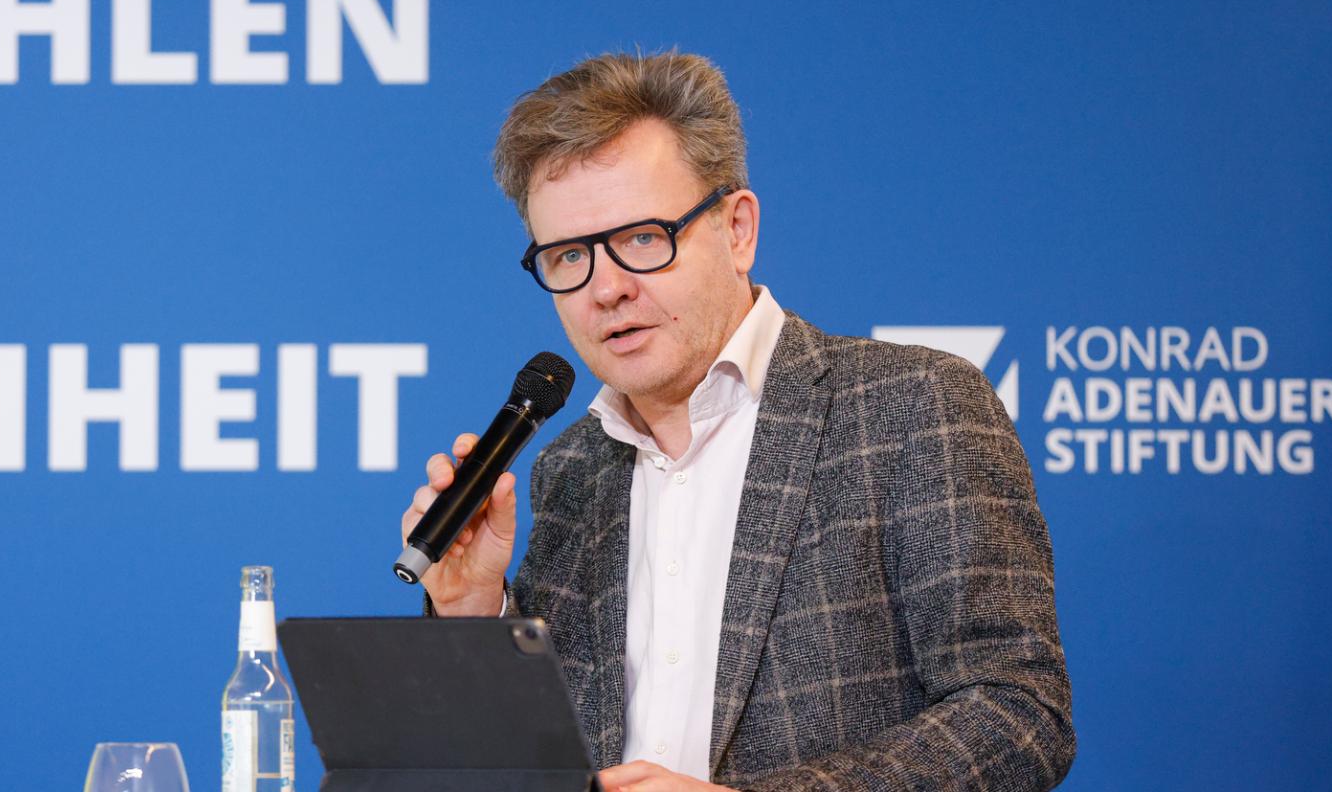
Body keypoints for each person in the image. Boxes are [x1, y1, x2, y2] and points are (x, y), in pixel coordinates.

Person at [401, 52, 1074, 792]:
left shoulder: (913, 407)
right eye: (568, 256)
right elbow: (536, 760)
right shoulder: (571, 469)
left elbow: (1017, 714)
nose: (606, 289)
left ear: (737, 230)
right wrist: (476, 616)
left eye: (642, 238)